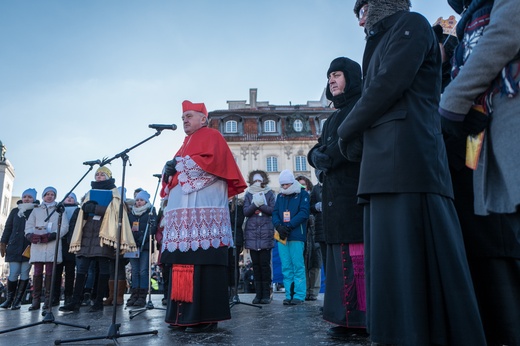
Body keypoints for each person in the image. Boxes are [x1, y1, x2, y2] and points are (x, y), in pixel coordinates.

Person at [335, 1, 487, 345]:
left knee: (415, 265)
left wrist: (347, 129)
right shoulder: (381, 39)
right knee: (390, 269)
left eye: (363, 10)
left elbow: (388, 84)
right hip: (383, 167)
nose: (361, 22)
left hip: (408, 162)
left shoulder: (413, 25)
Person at [438, 1, 520, 344]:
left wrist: (451, 106)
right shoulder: (465, 33)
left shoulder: (497, 14)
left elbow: (503, 37)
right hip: (481, 151)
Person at [160, 100, 246, 333]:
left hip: (204, 211)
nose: (185, 120)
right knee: (181, 261)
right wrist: (169, 171)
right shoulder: (185, 143)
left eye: (189, 116)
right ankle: (181, 315)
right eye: (183, 117)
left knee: (204, 261)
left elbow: (214, 164)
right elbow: (177, 176)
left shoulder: (212, 136)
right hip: (182, 215)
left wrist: (179, 165)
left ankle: (206, 316)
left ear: (203, 118)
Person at [307, 57, 366, 339]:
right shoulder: (332, 118)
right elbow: (320, 147)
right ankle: (342, 314)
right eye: (329, 76)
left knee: (356, 257)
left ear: (352, 77)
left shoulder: (362, 105)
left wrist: (327, 157)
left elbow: (355, 144)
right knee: (338, 257)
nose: (331, 80)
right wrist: (313, 156)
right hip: (334, 198)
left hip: (353, 193)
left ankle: (361, 317)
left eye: (337, 74)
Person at [59, 166, 136, 313]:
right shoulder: (90, 192)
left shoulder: (114, 192)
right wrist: (86, 208)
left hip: (104, 235)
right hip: (88, 234)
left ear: (108, 176)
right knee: (81, 269)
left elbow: (116, 213)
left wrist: (96, 209)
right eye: (97, 174)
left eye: (102, 174)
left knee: (103, 269)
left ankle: (98, 301)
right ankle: (75, 301)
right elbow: (83, 214)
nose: (99, 176)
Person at [24, 186, 69, 311]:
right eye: (47, 194)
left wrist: (53, 235)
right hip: (38, 244)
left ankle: (48, 300)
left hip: (52, 244)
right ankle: (36, 300)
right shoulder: (36, 210)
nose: (49, 196)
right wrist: (30, 235)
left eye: (52, 194)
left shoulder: (59, 209)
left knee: (50, 272)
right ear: (43, 196)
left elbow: (65, 226)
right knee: (37, 272)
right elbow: (28, 225)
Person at [272, 169, 310, 306]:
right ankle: (289, 294)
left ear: (291, 183)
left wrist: (289, 225)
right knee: (286, 266)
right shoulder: (280, 196)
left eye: (287, 185)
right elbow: (275, 212)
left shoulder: (302, 194)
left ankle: (299, 295)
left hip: (296, 234)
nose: (284, 187)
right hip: (282, 236)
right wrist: (278, 226)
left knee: (297, 265)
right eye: (283, 185)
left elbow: (304, 213)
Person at [0, 188, 38, 310]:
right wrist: (3, 242)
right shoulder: (15, 211)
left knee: (25, 273)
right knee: (13, 273)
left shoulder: (36, 211)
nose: (27, 199)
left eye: (29, 197)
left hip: (29, 246)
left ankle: (18, 300)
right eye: (25, 196)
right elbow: (8, 228)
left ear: (34, 198)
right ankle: (9, 299)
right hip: (14, 245)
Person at [242, 170, 276, 304]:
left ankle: (266, 294)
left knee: (264, 265)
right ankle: (258, 294)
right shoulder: (248, 194)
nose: (257, 182)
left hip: (266, 234)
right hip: (252, 235)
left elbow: (272, 210)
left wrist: (260, 206)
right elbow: (246, 212)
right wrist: (255, 205)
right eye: (255, 180)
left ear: (263, 180)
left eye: (259, 180)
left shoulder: (269, 193)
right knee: (255, 266)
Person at [126, 189, 157, 307]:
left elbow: (152, 227)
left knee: (143, 271)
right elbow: (127, 228)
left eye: (141, 200)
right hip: (133, 245)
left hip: (145, 245)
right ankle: (134, 294)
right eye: (137, 200)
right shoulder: (131, 213)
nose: (138, 202)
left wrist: (143, 237)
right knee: (134, 270)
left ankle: (142, 295)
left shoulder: (150, 211)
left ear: (146, 201)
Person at [295, 175, 322, 302]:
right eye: (299, 184)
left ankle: (314, 291)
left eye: (304, 185)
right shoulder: (296, 198)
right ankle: (304, 290)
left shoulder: (314, 193)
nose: (302, 187)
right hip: (302, 232)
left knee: (315, 263)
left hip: (315, 231)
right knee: (303, 262)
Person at [52, 192, 79, 307]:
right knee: (56, 271)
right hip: (58, 243)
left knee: (70, 272)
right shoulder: (57, 210)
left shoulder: (78, 211)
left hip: (71, 244)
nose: (69, 199)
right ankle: (55, 296)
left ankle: (68, 296)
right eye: (67, 197)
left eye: (72, 197)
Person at [227, 196, 244, 302]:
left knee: (233, 265)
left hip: (235, 238)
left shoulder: (239, 205)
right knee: (225, 265)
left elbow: (238, 222)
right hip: (223, 239)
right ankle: (226, 290)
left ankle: (234, 292)